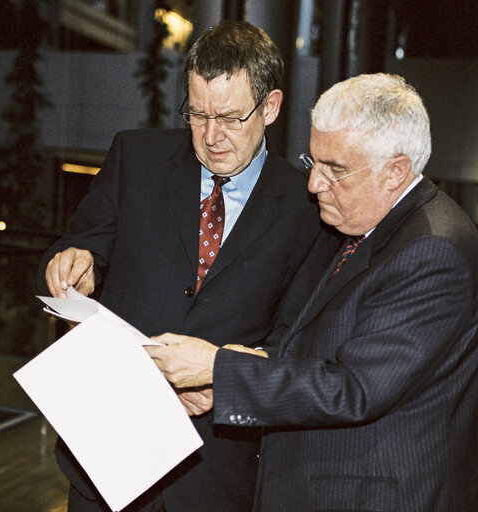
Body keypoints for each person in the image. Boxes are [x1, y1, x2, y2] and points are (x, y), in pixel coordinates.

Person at [148, 73, 478, 511]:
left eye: (335, 170)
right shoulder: (374, 229)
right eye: (314, 163)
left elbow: (354, 388)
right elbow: (333, 352)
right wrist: (235, 377)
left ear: (396, 172)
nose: (314, 186)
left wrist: (220, 368)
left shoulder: (433, 252)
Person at [38, 21, 336, 512]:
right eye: (197, 114)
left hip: (215, 473)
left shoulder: (307, 207)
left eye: (230, 117)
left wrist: (225, 378)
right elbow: (79, 245)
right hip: (106, 453)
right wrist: (76, 263)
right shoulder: (135, 158)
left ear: (273, 107)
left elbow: (296, 341)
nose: (211, 136)